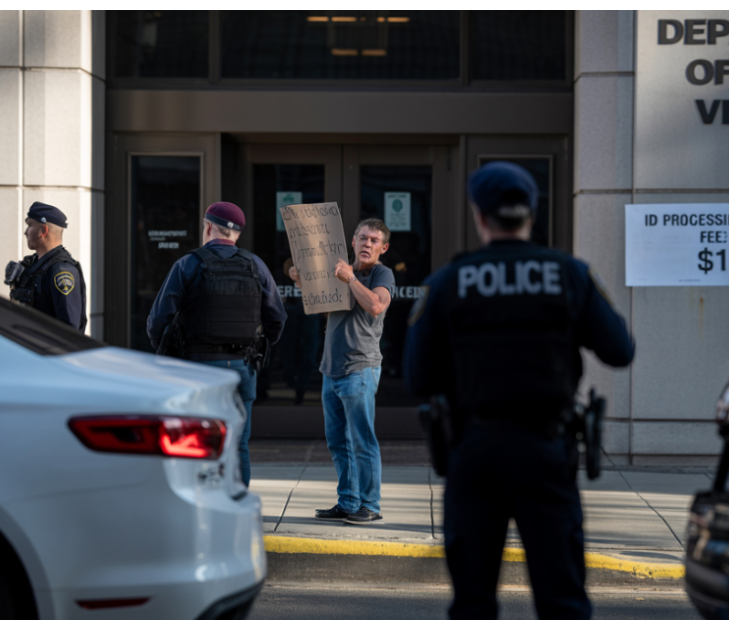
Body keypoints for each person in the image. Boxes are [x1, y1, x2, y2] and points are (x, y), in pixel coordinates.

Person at [403, 162, 635, 619]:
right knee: (562, 600)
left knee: (473, 602)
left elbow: (417, 378)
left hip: (474, 451)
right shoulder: (569, 274)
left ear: (479, 215)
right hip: (547, 450)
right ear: (531, 212)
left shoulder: (449, 282)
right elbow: (620, 350)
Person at [147, 202, 287, 486]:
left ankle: (202, 510)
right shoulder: (255, 265)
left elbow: (158, 320)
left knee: (198, 442)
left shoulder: (188, 264)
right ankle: (237, 504)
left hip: (198, 368)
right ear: (237, 234)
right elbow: (278, 318)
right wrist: (260, 349)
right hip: (242, 367)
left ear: (208, 226)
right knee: (239, 443)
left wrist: (168, 355)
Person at [289, 219, 394, 525]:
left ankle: (370, 504)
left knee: (362, 439)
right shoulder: (342, 272)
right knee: (338, 441)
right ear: (352, 241)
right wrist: (303, 282)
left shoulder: (380, 273)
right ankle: (348, 501)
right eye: (363, 238)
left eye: (374, 240)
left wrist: (350, 279)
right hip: (331, 368)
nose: (367, 244)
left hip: (359, 367)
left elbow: (376, 306)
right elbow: (326, 307)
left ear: (383, 248)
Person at [9, 202, 86, 332]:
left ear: (43, 231)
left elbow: (69, 330)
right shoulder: (33, 266)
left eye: (30, 225)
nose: (25, 232)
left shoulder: (61, 271)